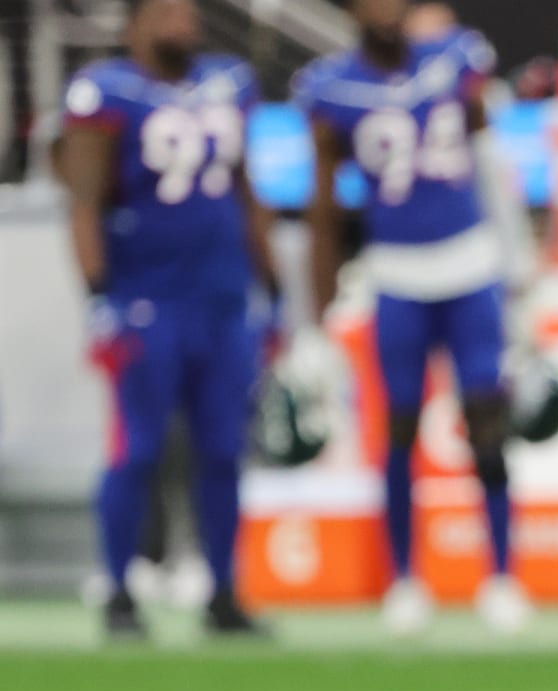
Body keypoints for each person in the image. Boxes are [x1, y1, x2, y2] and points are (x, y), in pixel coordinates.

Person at [293, 0, 532, 636]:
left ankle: (502, 573)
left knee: (487, 418)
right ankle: (405, 575)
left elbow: (487, 161)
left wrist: (519, 264)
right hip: (396, 270)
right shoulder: (330, 87)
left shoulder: (455, 58)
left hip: (470, 262)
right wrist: (314, 316)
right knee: (398, 425)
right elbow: (322, 208)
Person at [60, 0, 274, 640]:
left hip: (223, 297)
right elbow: (83, 204)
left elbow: (247, 192)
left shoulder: (229, 82)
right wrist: (99, 299)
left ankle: (224, 592)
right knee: (138, 450)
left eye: (187, 11)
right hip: (146, 300)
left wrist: (274, 289)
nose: (182, 23)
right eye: (165, 13)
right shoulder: (104, 91)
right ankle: (120, 591)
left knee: (223, 450)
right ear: (133, 25)